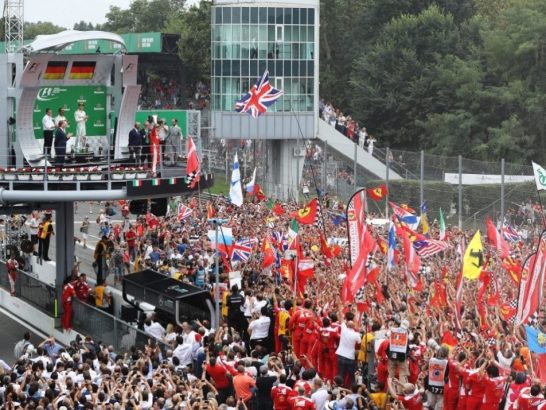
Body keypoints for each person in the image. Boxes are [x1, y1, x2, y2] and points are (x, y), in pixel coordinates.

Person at [335, 320, 362, 387]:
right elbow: (359, 342)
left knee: (340, 374)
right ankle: (352, 389)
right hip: (350, 357)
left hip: (341, 355)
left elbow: (341, 319)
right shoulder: (356, 334)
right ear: (353, 326)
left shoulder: (344, 329)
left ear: (347, 325)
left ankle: (339, 389)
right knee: (352, 376)